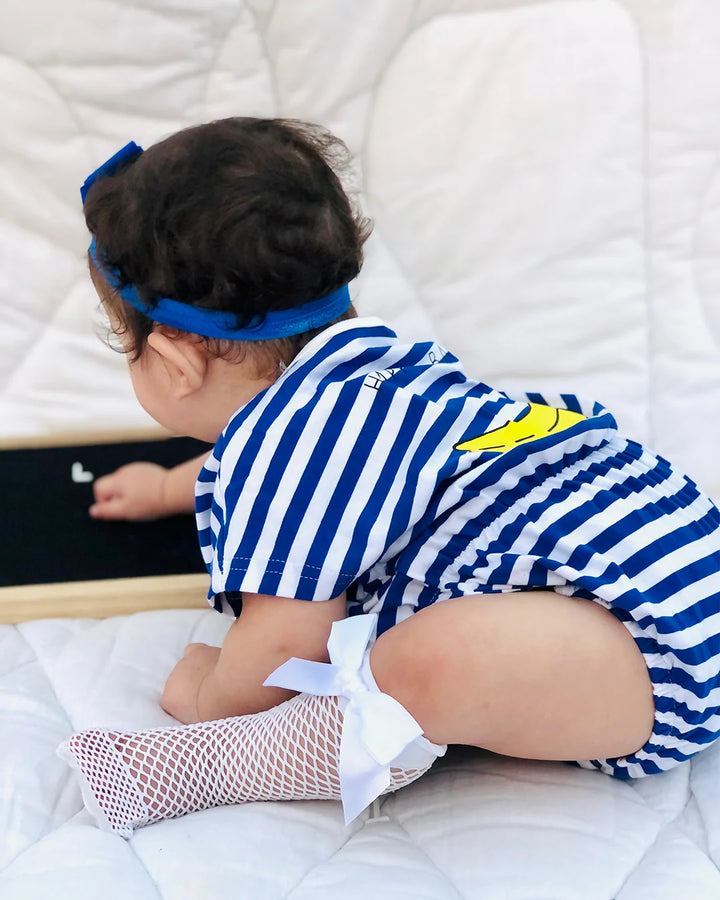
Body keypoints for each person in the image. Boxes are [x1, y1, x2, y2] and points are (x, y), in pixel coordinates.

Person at [59, 118, 720, 837]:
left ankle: (220, 762)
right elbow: (287, 474)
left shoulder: (287, 450)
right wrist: (163, 489)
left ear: (177, 364)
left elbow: (286, 640)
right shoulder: (382, 368)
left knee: (431, 664)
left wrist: (214, 695)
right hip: (675, 556)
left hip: (649, 664)